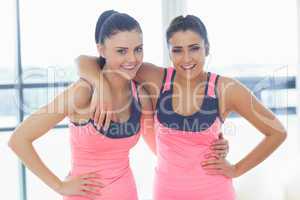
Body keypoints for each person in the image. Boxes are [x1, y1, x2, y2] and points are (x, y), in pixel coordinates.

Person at [76, 14, 287, 200]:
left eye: (194, 48)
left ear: (207, 48)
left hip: (214, 193)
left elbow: (277, 132)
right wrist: (100, 86)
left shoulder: (226, 88)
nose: (186, 59)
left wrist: (236, 169)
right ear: (169, 53)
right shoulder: (156, 78)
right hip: (166, 193)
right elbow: (85, 61)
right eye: (177, 50)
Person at [8, 10, 157, 200]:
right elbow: (19, 139)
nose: (133, 59)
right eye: (121, 51)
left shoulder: (140, 95)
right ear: (101, 50)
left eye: (138, 49)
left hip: (126, 193)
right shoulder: (82, 93)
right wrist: (60, 186)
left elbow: (159, 148)